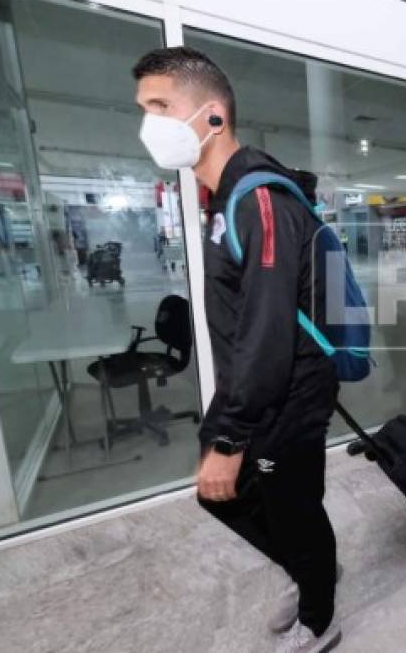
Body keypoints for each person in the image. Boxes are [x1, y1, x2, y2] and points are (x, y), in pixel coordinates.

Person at [132, 47, 341, 653]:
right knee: (230, 495)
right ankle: (313, 574)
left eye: (161, 105)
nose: (149, 122)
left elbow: (268, 333)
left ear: (214, 117)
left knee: (288, 504)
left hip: (289, 388)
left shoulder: (258, 200)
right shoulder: (226, 199)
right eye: (144, 108)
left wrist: (229, 438)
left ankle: (319, 614)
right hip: (254, 387)